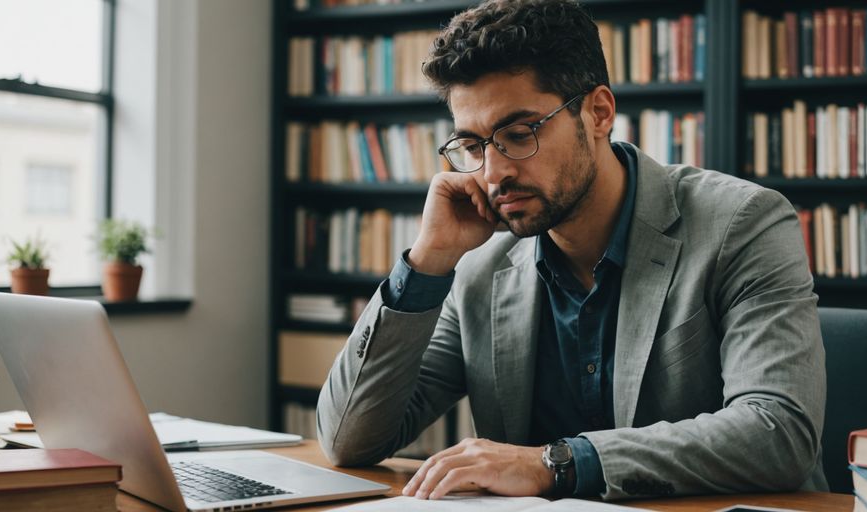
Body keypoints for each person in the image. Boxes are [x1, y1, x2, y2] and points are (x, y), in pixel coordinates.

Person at [316, 0, 827, 501]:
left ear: (599, 112)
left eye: (518, 134)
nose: (493, 174)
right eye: (472, 146)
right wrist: (426, 262)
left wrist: (553, 464)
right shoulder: (479, 268)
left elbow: (778, 432)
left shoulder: (742, 223)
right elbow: (347, 441)